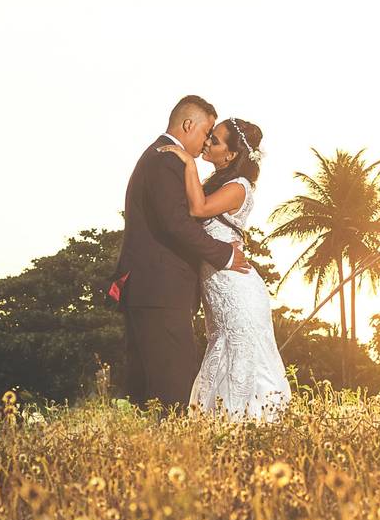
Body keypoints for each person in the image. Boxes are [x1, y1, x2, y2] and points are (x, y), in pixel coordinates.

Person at [111, 95, 250, 412]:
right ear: (189, 125)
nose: (204, 144)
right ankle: (174, 455)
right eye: (206, 132)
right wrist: (225, 255)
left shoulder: (163, 158)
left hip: (154, 289)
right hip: (160, 290)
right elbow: (176, 224)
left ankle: (161, 453)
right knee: (174, 389)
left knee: (158, 389)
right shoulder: (166, 160)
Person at [158, 117, 291, 421]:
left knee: (240, 356)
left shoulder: (239, 186)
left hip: (238, 290)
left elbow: (198, 209)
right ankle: (222, 430)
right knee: (222, 351)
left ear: (231, 155)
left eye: (214, 141)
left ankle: (249, 429)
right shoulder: (217, 183)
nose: (207, 142)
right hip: (219, 288)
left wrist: (188, 164)